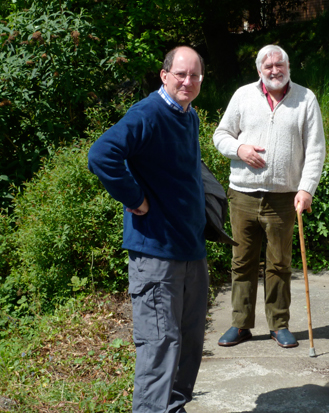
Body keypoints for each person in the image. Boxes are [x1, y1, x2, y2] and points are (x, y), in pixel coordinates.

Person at [88, 46, 207, 413]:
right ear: (164, 75)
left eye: (195, 75)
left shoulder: (189, 116)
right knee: (159, 346)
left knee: (188, 345)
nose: (188, 81)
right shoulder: (148, 113)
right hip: (156, 252)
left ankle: (173, 408)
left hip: (189, 249)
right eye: (181, 74)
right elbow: (101, 154)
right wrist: (136, 199)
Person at [213, 44, 326, 349]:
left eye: (280, 65)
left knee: (279, 263)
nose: (275, 70)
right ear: (259, 70)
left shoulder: (305, 98)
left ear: (288, 66)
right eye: (268, 66)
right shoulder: (243, 96)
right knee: (242, 262)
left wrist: (306, 189)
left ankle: (279, 324)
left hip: (283, 196)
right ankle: (240, 324)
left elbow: (315, 149)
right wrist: (240, 149)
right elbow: (220, 135)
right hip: (243, 195)